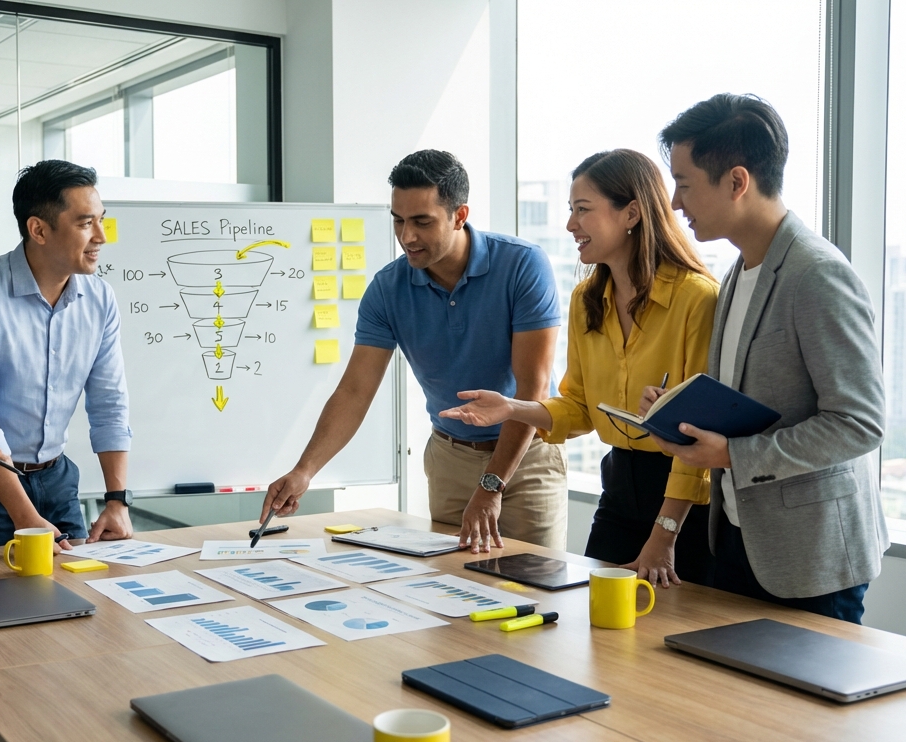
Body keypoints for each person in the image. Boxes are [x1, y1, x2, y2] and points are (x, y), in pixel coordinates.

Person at [643, 93, 887, 623]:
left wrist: (735, 456)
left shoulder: (817, 274)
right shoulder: (738, 270)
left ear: (736, 181)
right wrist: (680, 408)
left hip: (809, 559)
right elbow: (751, 395)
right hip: (738, 537)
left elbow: (859, 423)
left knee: (802, 708)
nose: (676, 204)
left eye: (683, 184)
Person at [260, 150, 566, 554]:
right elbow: (355, 391)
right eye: (398, 220)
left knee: (534, 585)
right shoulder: (387, 290)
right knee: (454, 590)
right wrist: (304, 470)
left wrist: (492, 484)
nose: (407, 236)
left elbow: (534, 388)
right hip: (450, 458)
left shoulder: (523, 266)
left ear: (460, 215)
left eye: (422, 222)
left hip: (527, 456)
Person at [440, 149, 718, 588]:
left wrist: (664, 533)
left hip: (684, 501)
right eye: (571, 211)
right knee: (596, 626)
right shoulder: (587, 299)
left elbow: (698, 433)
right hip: (620, 489)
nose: (571, 225)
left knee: (674, 638)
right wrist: (512, 408)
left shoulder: (696, 299)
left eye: (583, 210)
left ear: (631, 213)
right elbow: (581, 409)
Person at [0, 160, 133, 553]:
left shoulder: (99, 299)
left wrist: (117, 499)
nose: (101, 237)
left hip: (56, 479)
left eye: (101, 221)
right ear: (38, 229)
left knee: (84, 597)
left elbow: (109, 403)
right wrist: (25, 518)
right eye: (84, 223)